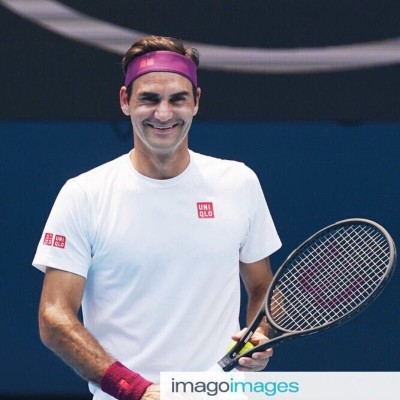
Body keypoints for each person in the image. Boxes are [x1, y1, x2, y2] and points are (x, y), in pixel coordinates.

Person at [32, 35, 282, 400]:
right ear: (125, 101)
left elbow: (263, 287)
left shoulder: (239, 182)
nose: (163, 114)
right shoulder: (84, 194)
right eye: (149, 99)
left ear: (196, 101)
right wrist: (137, 391)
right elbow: (54, 317)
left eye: (177, 99)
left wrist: (257, 338)